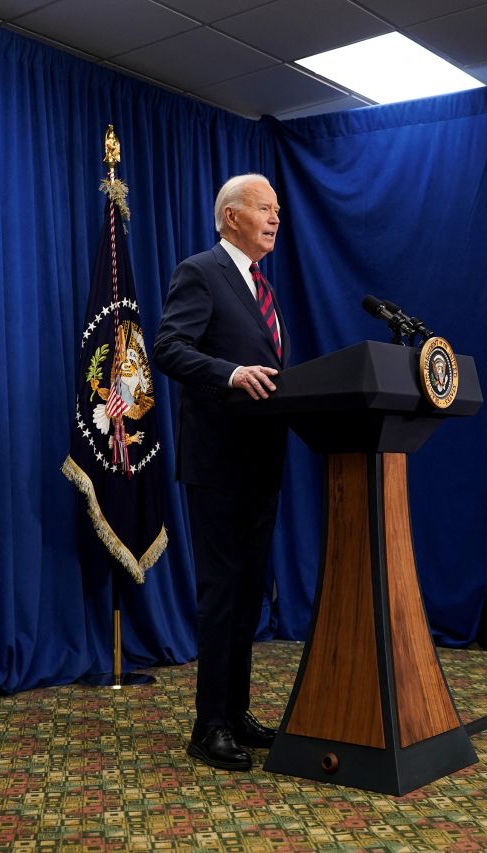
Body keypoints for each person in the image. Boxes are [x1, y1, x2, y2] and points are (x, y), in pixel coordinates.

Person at [153, 174, 289, 771]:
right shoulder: (201, 271)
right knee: (221, 596)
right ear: (231, 216)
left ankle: (235, 713)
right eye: (265, 208)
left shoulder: (260, 283)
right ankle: (208, 727)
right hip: (217, 464)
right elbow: (168, 347)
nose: (275, 217)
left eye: (277, 209)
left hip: (260, 459)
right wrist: (230, 373)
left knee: (247, 595)